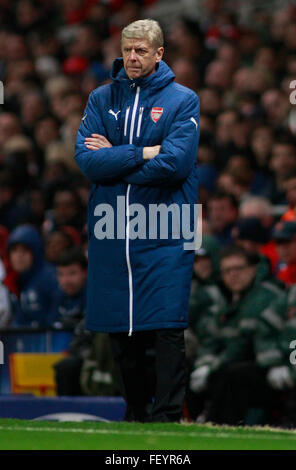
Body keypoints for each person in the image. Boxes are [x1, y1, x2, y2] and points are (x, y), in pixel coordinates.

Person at [74, 19, 200, 422]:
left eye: (141, 50)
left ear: (159, 53)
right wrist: (142, 153)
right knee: (118, 327)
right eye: (127, 49)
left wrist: (117, 158)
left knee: (166, 324)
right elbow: (88, 161)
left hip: (167, 225)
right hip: (113, 227)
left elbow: (175, 165)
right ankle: (133, 413)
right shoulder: (100, 98)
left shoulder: (184, 100)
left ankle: (166, 417)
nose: (131, 57)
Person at [188, 246, 283, 425]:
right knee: (187, 368)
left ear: (252, 269)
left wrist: (213, 366)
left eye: (238, 269)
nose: (233, 275)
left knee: (231, 374)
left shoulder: (263, 296)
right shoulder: (229, 299)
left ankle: (215, 425)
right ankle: (191, 420)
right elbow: (211, 338)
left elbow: (244, 344)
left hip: (270, 367)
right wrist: (205, 362)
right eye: (227, 271)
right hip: (237, 364)